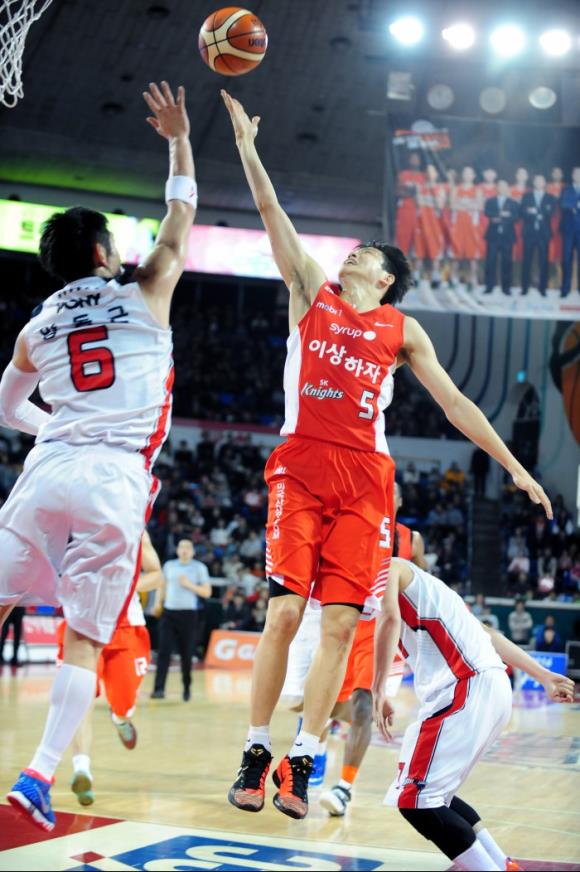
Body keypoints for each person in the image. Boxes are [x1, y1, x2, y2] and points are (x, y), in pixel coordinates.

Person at [220, 89, 551, 821]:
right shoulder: (311, 291)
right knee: (284, 613)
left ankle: (304, 759)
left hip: (365, 478)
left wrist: (515, 466)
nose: (352, 254)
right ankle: (255, 748)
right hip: (301, 464)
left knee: (342, 626)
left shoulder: (403, 331)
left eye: (365, 254)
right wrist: (247, 148)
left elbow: (456, 403)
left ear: (386, 277)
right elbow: (272, 213)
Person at [1, 80, 196, 831]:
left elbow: (6, 409)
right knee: (83, 635)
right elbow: (180, 215)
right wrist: (178, 140)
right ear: (100, 252)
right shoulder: (147, 288)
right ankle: (39, 775)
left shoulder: (36, 327)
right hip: (115, 477)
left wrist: (54, 430)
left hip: (47, 469)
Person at [372, 558, 574, 872]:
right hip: (490, 686)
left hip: (465, 686)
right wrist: (543, 676)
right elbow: (489, 634)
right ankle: (505, 865)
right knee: (437, 795)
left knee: (415, 800)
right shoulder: (438, 592)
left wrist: (378, 689)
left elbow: (388, 619)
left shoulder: (390, 566)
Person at [320, 483, 426, 817]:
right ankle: (307, 761)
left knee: (363, 704)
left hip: (382, 631)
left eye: (392, 492)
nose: (384, 495)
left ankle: (344, 787)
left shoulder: (411, 539)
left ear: (400, 500)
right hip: (347, 621)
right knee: (323, 704)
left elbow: (423, 584)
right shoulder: (353, 523)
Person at [61, 531, 163, 806]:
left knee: (123, 700)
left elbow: (156, 575)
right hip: (83, 622)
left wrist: (126, 586)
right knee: (80, 699)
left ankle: (120, 717)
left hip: (127, 628)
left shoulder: (136, 529)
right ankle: (82, 769)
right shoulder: (75, 523)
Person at [151, 538, 211, 700]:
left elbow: (207, 592)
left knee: (186, 653)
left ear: (193, 551)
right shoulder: (169, 566)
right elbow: (162, 586)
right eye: (182, 547)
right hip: (169, 613)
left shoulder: (199, 568)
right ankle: (158, 689)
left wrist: (189, 584)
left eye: (188, 547)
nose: (184, 550)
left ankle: (186, 688)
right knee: (163, 652)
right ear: (177, 550)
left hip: (188, 615)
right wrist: (157, 603)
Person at [520, 174, 557, 297]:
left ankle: (543, 288)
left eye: (541, 181)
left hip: (544, 233)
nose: (539, 183)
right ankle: (525, 288)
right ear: (534, 182)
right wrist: (539, 213)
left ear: (545, 183)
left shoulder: (550, 197)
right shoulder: (526, 196)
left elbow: (551, 212)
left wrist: (535, 211)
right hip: (529, 233)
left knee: (544, 261)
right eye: (537, 180)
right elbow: (523, 212)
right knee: (526, 260)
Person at [483, 180, 519, 296]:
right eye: (500, 186)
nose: (502, 189)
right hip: (493, 235)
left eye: (504, 187)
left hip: (507, 236)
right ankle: (489, 286)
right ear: (497, 188)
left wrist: (505, 217)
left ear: (507, 188)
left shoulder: (513, 202)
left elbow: (516, 216)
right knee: (490, 261)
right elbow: (487, 212)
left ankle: (506, 288)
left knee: (507, 262)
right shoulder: (490, 201)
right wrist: (499, 215)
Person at [451, 167, 482, 289]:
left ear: (473, 176)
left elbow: (479, 206)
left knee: (472, 255)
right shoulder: (456, 189)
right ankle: (453, 279)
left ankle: (472, 279)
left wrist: (462, 204)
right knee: (455, 254)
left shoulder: (477, 190)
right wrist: (469, 204)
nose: (467, 175)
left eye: (470, 173)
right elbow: (452, 204)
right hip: (458, 225)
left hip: (471, 226)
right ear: (462, 175)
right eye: (465, 173)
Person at [395, 151, 425, 255]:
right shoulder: (403, 174)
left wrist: (409, 191)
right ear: (409, 160)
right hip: (405, 210)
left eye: (417, 159)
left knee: (418, 239)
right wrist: (411, 193)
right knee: (403, 236)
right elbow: (397, 191)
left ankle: (416, 262)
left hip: (419, 212)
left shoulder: (423, 176)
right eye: (413, 158)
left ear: (420, 161)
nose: (415, 161)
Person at [560, 167, 580, 298]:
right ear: (572, 175)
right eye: (576, 174)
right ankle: (565, 288)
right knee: (566, 259)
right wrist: (576, 206)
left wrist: (573, 206)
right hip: (568, 230)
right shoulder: (566, 189)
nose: (578, 176)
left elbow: (569, 204)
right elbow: (563, 204)